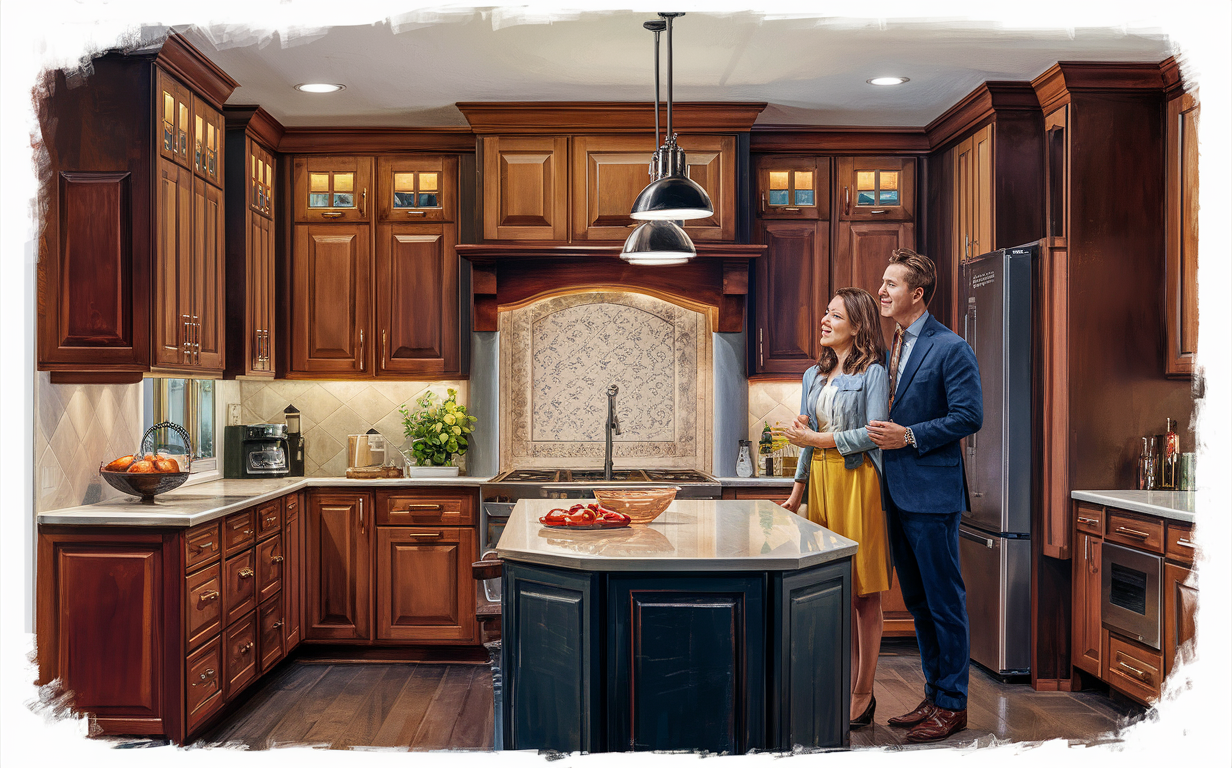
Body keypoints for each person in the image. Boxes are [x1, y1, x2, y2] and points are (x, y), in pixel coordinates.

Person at [866, 249, 983, 744]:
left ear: (917, 293)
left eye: (892, 284)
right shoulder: (893, 345)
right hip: (895, 492)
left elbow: (968, 416)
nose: (882, 291)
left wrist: (908, 436)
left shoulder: (950, 347)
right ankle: (935, 695)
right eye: (883, 281)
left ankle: (953, 704)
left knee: (943, 601)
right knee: (917, 601)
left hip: (932, 494)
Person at [779, 287, 891, 729]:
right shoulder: (813, 375)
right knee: (833, 588)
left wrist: (817, 439)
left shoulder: (874, 373)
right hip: (823, 484)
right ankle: (837, 685)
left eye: (835, 316)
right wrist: (795, 494)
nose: (824, 320)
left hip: (858, 480)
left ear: (858, 325)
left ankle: (863, 692)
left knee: (863, 591)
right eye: (825, 313)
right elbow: (805, 442)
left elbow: (875, 433)